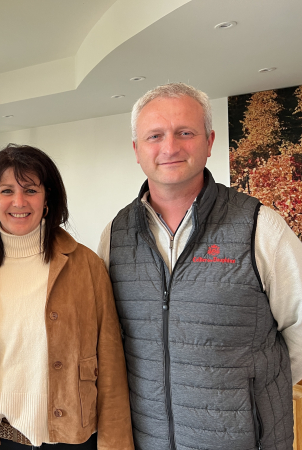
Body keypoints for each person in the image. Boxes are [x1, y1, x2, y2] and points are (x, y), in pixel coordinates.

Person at [98, 83, 302, 450]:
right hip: (147, 441)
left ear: (209, 142)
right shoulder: (115, 235)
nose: (170, 147)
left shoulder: (260, 227)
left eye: (185, 133)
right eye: (155, 136)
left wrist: (256, 390)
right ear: (137, 150)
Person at [0, 144, 133, 450]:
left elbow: (110, 366)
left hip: (71, 438)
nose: (19, 201)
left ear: (47, 200)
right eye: (6, 191)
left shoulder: (86, 266)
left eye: (30, 190)